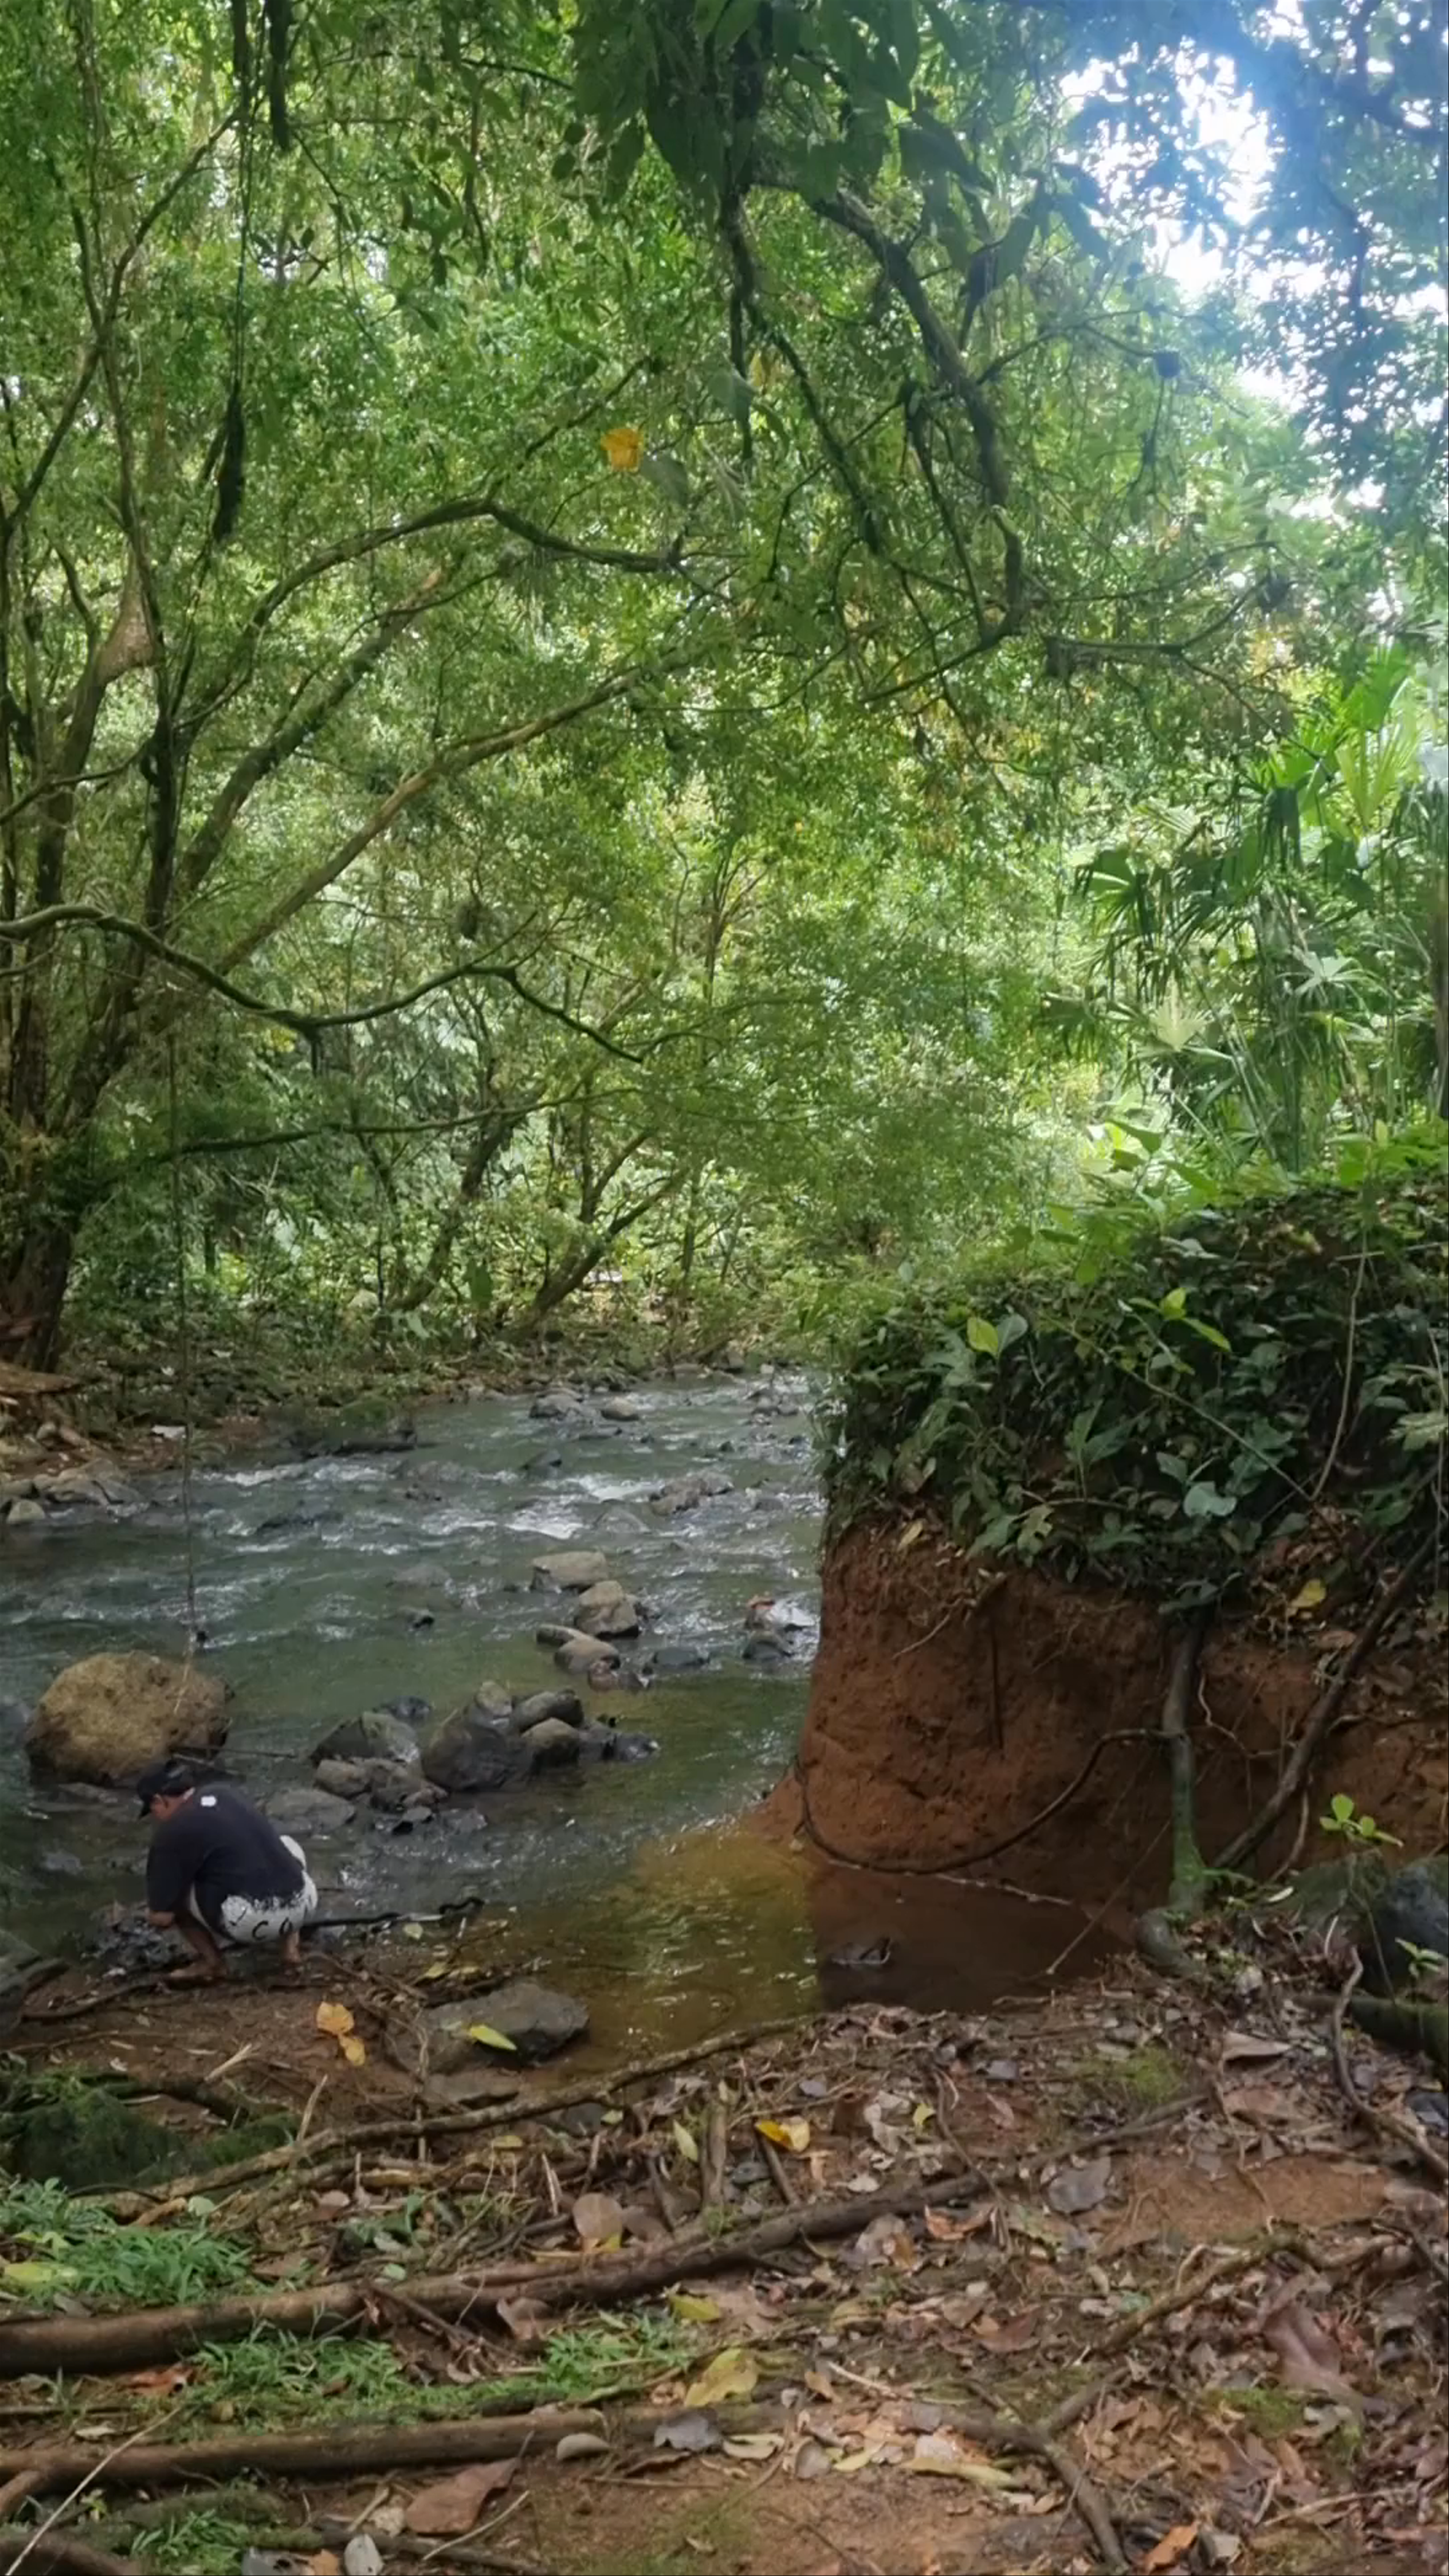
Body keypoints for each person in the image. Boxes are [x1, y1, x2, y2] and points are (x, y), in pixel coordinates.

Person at [137, 1760, 317, 1983]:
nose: (155, 1816)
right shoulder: (227, 1792)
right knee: (287, 1844)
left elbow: (163, 1918)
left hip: (251, 1923)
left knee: (176, 1896)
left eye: (152, 1809)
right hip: (305, 1904)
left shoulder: (170, 1833)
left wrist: (149, 1913)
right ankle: (291, 1951)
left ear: (159, 1800)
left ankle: (213, 1965)